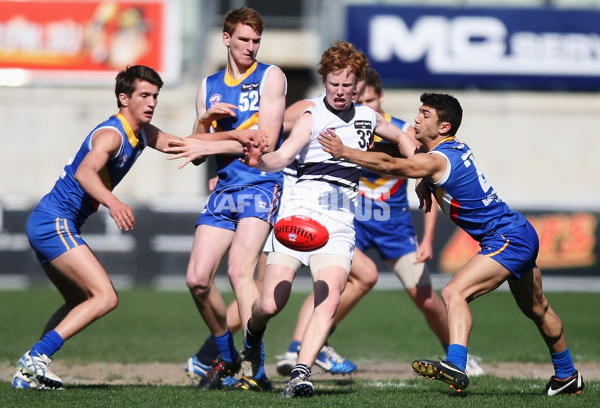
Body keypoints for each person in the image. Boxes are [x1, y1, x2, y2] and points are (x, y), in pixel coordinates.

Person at [12, 65, 264, 390]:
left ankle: (31, 368)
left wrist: (234, 135)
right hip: (52, 222)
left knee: (81, 299)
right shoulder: (112, 133)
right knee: (104, 297)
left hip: (54, 223)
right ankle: (36, 359)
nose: (151, 102)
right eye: (144, 95)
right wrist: (114, 203)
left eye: (155, 96)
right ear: (123, 98)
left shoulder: (142, 132)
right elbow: (85, 173)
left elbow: (187, 148)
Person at [319, 92, 585, 396]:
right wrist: (422, 182)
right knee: (537, 308)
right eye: (419, 112)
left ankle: (457, 364)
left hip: (506, 237)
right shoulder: (453, 149)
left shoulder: (437, 160)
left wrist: (345, 152)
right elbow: (403, 153)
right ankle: (567, 376)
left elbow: (393, 165)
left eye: (425, 115)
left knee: (453, 292)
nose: (417, 118)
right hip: (517, 231)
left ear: (444, 127)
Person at [275, 68, 485, 377]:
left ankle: (456, 357)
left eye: (370, 98)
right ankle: (298, 350)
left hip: (396, 228)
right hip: (353, 223)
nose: (365, 104)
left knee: (427, 300)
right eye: (360, 98)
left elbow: (426, 186)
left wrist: (426, 240)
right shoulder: (337, 124)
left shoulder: (402, 133)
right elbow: (295, 122)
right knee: (335, 284)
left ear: (381, 97)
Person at [237, 40, 418, 398]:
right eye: (333, 83)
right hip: (297, 215)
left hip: (337, 222)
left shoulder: (368, 118)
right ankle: (252, 337)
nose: (339, 91)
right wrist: (261, 159)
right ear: (325, 81)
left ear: (358, 85)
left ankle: (300, 374)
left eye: (347, 85)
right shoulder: (311, 116)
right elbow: (283, 157)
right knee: (270, 304)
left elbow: (401, 137)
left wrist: (422, 170)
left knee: (330, 297)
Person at [165, 7, 287, 392]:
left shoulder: (271, 77)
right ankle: (226, 353)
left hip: (260, 185)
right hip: (225, 189)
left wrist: (209, 137)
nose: (251, 47)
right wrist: (205, 122)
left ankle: (255, 367)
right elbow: (196, 150)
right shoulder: (208, 86)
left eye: (256, 41)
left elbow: (262, 140)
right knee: (197, 279)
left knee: (239, 271)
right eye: (244, 39)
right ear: (226, 38)